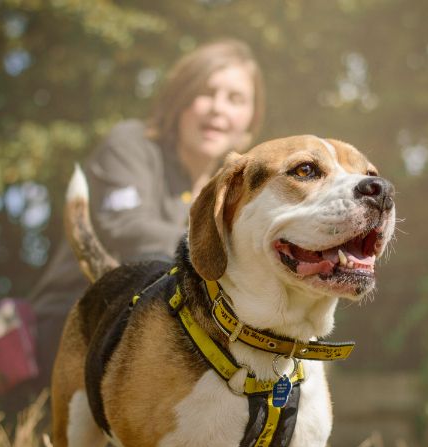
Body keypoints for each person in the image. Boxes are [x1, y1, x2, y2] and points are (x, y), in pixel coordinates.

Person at [26, 39, 266, 388]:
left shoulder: (232, 188)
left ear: (250, 120)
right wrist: (231, 250)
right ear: (179, 99)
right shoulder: (129, 144)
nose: (218, 109)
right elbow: (127, 230)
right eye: (206, 93)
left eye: (235, 99)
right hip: (78, 319)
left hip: (168, 327)